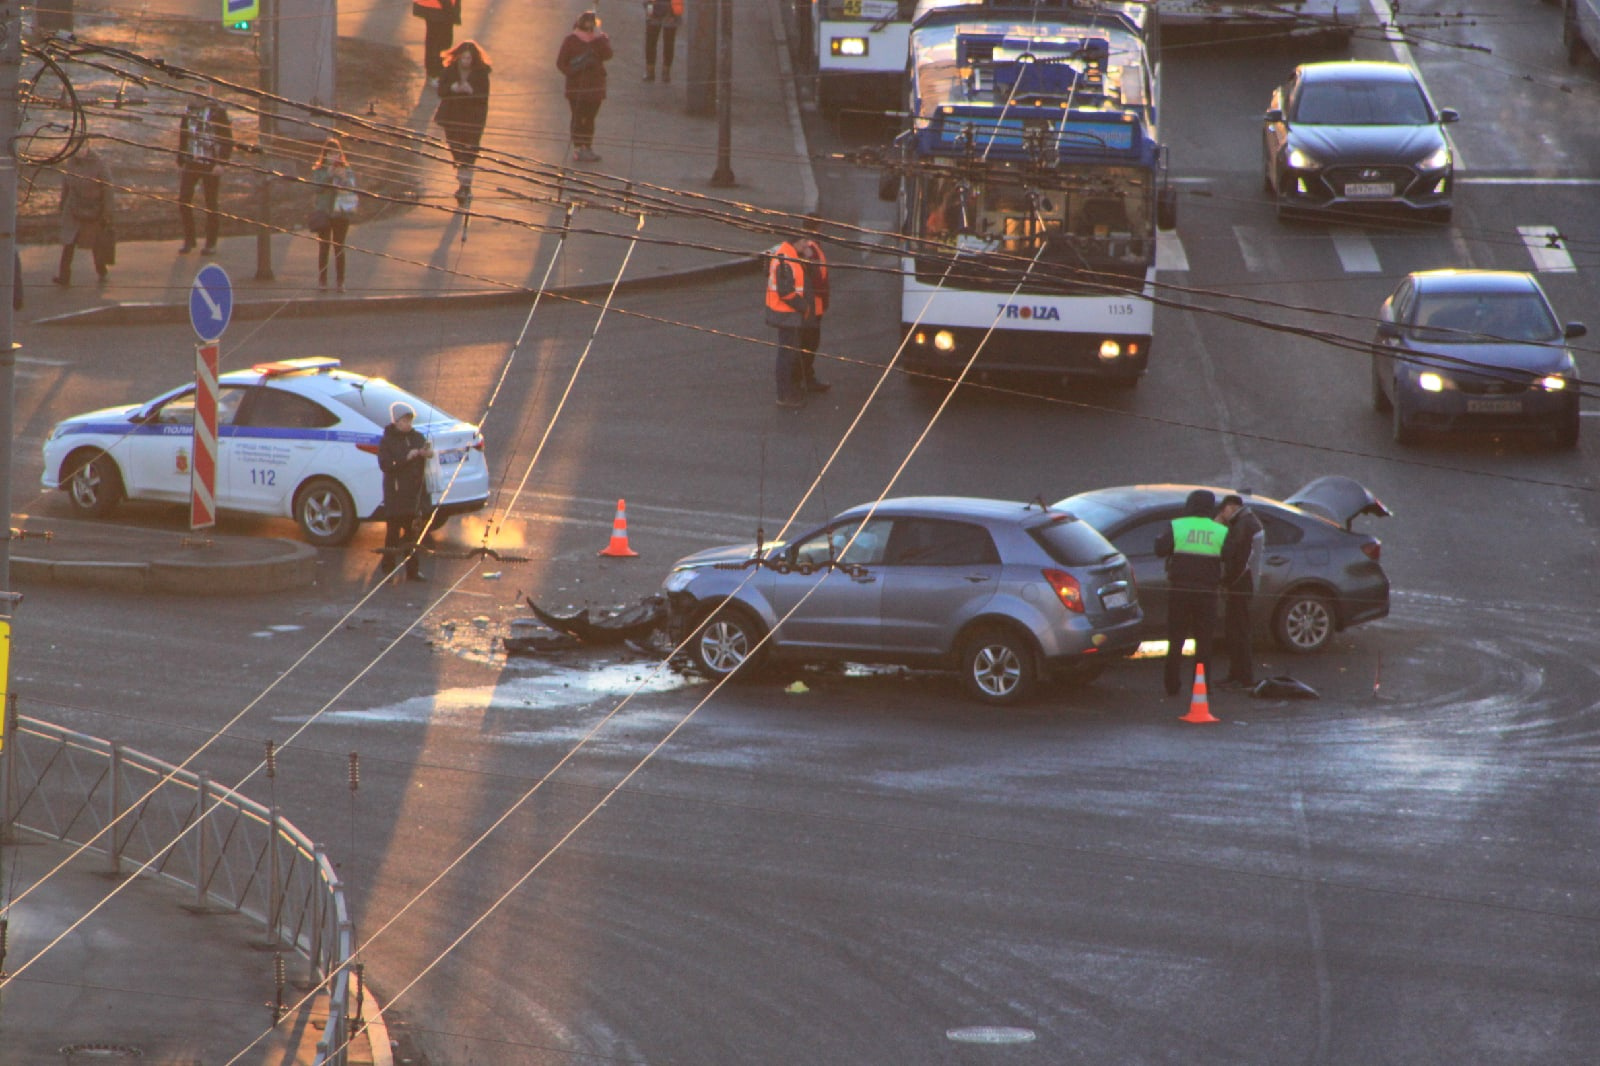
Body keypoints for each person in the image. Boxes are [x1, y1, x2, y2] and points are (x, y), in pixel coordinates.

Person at [1154, 489, 1227, 698]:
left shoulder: (1177, 525)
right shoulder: (1219, 530)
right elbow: (1230, 554)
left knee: (1176, 639)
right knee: (1204, 642)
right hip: (1207, 593)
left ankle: (1172, 685)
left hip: (1179, 591)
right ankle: (1202, 686)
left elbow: (1160, 548)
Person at [378, 402, 433, 581]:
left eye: (409, 420)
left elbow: (428, 452)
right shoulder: (387, 440)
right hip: (396, 495)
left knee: (412, 535)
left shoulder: (417, 436)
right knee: (392, 533)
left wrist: (426, 452)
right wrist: (406, 458)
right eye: (404, 420)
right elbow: (385, 465)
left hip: (414, 495)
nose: (407, 424)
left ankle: (412, 571)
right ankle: (388, 567)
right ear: (396, 421)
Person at [176, 84, 234, 255]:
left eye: (200, 94)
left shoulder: (217, 113)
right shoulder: (188, 111)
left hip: (211, 162)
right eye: (194, 94)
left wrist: (221, 163)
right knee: (184, 199)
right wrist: (181, 158)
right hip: (191, 161)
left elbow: (227, 140)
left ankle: (211, 243)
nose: (196, 98)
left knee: (211, 203)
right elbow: (183, 135)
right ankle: (189, 239)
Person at [434, 40, 492, 205]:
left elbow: (484, 97)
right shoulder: (450, 70)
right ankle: (463, 181)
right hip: (452, 117)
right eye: (463, 58)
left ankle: (465, 186)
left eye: (469, 58)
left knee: (469, 154)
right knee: (457, 151)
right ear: (458, 57)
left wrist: (471, 91)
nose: (466, 61)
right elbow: (440, 91)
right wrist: (452, 88)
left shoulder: (481, 73)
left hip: (472, 119)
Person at [1216, 493, 1265, 689]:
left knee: (1239, 631)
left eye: (1224, 510)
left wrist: (1226, 582)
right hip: (1243, 583)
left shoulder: (1243, 525)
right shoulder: (1246, 522)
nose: (1222, 514)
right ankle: (1236, 674)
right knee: (1235, 630)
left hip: (1241, 584)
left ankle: (1243, 677)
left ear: (1232, 507)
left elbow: (1233, 555)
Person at [556, 11, 614, 164]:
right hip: (580, 89)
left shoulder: (598, 41)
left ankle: (585, 148)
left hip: (593, 90)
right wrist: (574, 71)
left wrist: (600, 38)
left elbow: (608, 54)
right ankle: (579, 148)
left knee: (588, 119)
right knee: (579, 118)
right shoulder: (571, 41)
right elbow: (561, 63)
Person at [52, 146, 114, 287]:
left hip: (94, 208)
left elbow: (108, 188)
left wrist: (107, 212)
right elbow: (66, 185)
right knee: (69, 240)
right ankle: (64, 276)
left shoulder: (99, 162)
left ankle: (101, 270)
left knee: (95, 241)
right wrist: (62, 204)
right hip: (73, 207)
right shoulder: (70, 162)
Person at [310, 137, 358, 293]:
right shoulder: (319, 170)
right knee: (324, 247)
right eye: (330, 154)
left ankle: (340, 282)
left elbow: (352, 188)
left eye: (336, 153)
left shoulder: (347, 169)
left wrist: (343, 177)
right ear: (325, 155)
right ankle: (322, 281)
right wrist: (329, 175)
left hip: (341, 212)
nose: (333, 157)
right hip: (324, 211)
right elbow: (316, 188)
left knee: (339, 247)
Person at [765, 237, 808, 409]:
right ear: (796, 242)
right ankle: (784, 395)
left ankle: (787, 391)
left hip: (785, 313)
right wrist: (803, 306)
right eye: (804, 241)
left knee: (788, 354)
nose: (806, 245)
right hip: (785, 313)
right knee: (786, 355)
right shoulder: (786, 259)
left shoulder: (785, 253)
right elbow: (786, 291)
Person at [794, 229, 831, 393]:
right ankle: (803, 379)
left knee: (807, 343)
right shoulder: (810, 252)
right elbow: (817, 280)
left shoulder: (812, 250)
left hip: (813, 305)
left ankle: (801, 377)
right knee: (809, 343)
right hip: (812, 307)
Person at [411, 0, 461, 81]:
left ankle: (436, 72)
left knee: (440, 40)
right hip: (437, 7)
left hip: (438, 7)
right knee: (437, 41)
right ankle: (434, 73)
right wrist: (450, 10)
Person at [642, 0, 684, 83]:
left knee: (664, 43)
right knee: (653, 42)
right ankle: (657, 72)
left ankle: (660, 72)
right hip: (659, 11)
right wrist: (649, 13)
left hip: (670, 12)